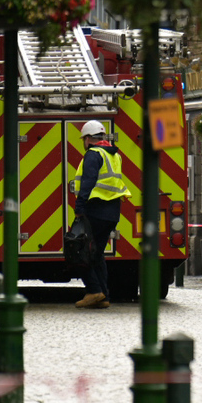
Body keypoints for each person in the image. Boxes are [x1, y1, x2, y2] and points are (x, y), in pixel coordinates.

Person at [72, 120, 129, 309]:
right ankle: (103, 295)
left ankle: (93, 290)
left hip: (95, 210)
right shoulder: (114, 155)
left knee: (81, 251)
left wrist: (79, 207)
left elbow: (88, 182)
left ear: (88, 139)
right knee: (97, 254)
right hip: (112, 212)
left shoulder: (93, 154)